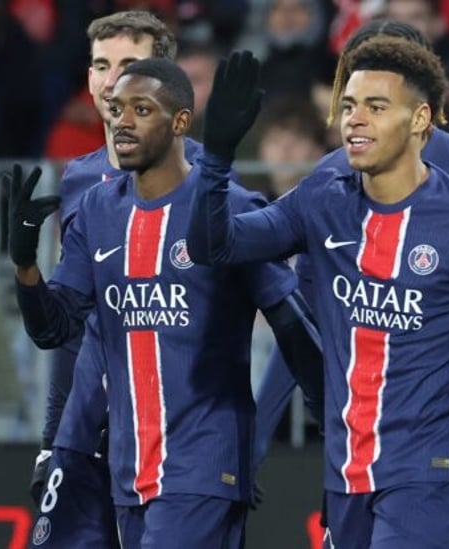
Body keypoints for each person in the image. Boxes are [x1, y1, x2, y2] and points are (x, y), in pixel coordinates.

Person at [187, 40, 449, 547]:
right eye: (348, 105)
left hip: (429, 471)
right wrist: (215, 159)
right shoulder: (322, 198)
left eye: (375, 106)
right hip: (346, 469)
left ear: (420, 119)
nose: (355, 119)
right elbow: (216, 246)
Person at [24, 11, 323, 548]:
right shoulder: (94, 205)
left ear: (181, 121)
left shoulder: (225, 204)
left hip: (203, 463)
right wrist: (26, 270)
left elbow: (293, 325)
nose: (123, 119)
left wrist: (334, 438)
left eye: (142, 108)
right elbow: (57, 330)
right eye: (117, 109)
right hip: (125, 464)